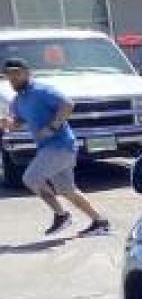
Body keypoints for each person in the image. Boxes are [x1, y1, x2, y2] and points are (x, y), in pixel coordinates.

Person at [1, 57, 110, 237]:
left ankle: (62, 215)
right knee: (68, 191)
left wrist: (52, 126)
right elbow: (18, 123)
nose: (13, 78)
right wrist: (7, 123)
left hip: (60, 145)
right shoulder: (18, 100)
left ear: (27, 73)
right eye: (9, 75)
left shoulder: (41, 90)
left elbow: (67, 104)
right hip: (50, 148)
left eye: (17, 74)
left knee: (31, 178)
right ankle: (100, 222)